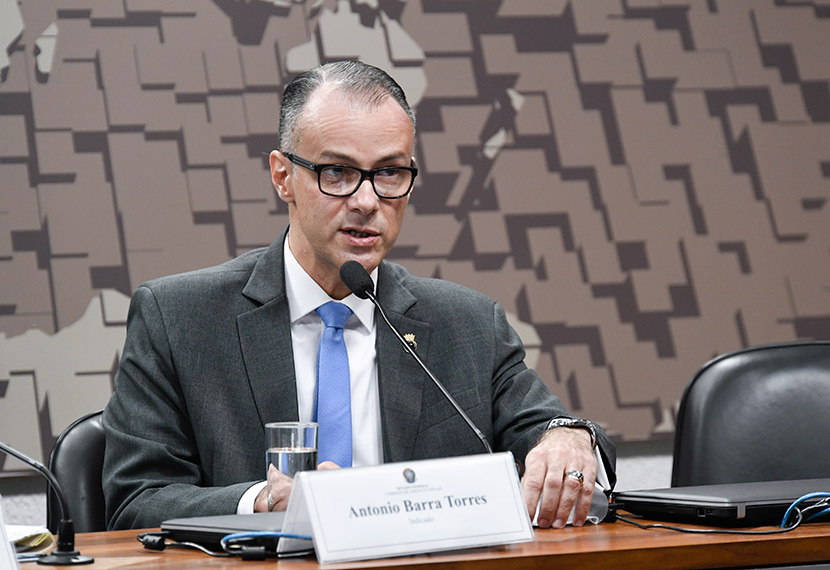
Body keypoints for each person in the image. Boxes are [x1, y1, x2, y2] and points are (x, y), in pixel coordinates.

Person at [102, 60, 616, 531]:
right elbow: (135, 501)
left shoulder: (468, 324)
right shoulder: (179, 319)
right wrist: (262, 501)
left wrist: (570, 437)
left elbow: (552, 432)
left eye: (390, 172)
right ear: (284, 177)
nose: (368, 201)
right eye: (338, 173)